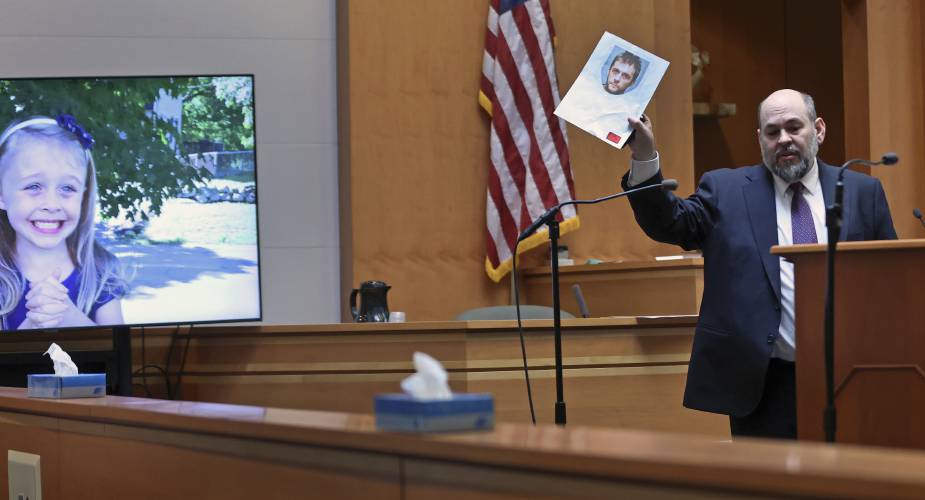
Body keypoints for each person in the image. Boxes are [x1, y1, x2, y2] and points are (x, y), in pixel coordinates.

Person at [621, 89, 896, 439]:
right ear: (760, 139)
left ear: (819, 129)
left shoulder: (863, 192)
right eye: (772, 131)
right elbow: (668, 222)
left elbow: (890, 282)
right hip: (765, 384)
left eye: (794, 127)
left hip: (849, 377)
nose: (784, 139)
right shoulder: (726, 190)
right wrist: (645, 157)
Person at [0, 114, 127, 330]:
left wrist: (68, 317)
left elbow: (118, 357)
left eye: (67, 188)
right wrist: (31, 326)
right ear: (2, 195)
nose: (51, 204)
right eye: (33, 187)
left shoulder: (100, 271)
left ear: (83, 197)